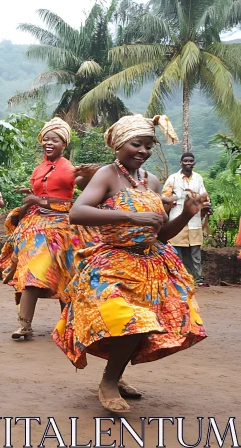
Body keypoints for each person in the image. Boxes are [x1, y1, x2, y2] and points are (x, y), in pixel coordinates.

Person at [54, 114, 207, 413]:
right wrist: (129, 216)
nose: (143, 151)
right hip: (113, 263)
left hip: (151, 265)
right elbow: (77, 212)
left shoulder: (151, 181)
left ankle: (116, 375)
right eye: (137, 144)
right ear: (120, 144)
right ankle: (109, 382)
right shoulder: (107, 175)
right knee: (130, 320)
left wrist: (187, 214)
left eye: (149, 145)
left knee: (142, 325)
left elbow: (161, 235)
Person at [0, 117, 96, 340]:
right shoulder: (39, 168)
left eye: (56, 140)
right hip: (35, 225)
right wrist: (30, 201)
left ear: (64, 145)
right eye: (46, 139)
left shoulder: (71, 169)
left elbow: (81, 194)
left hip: (61, 227)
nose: (49, 143)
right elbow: (35, 195)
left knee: (66, 273)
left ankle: (68, 325)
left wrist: (87, 177)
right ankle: (24, 325)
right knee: (30, 270)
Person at [162, 152, 211, 286]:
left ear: (194, 163)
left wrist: (205, 203)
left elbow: (204, 196)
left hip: (194, 220)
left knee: (195, 251)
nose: (188, 163)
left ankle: (198, 279)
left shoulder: (198, 178)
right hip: (178, 218)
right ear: (181, 163)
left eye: (191, 161)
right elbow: (165, 198)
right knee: (178, 251)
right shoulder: (173, 178)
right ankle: (180, 278)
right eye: (186, 161)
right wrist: (180, 198)